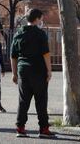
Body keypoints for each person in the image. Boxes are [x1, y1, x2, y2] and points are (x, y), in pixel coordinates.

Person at [10, 8, 55, 138]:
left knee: (23, 100)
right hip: (38, 70)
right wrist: (49, 71)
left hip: (23, 70)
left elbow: (13, 56)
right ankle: (44, 129)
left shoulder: (18, 33)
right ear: (36, 19)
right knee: (41, 100)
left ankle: (20, 128)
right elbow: (46, 54)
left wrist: (14, 73)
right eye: (41, 19)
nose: (42, 21)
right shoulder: (40, 34)